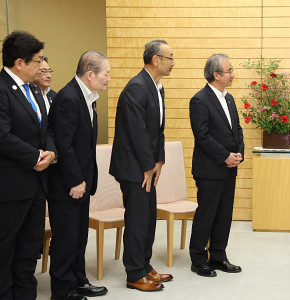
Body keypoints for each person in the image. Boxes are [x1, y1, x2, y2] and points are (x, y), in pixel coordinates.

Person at [110, 39, 174, 292]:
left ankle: (145, 266)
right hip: (133, 166)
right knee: (137, 220)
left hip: (147, 164)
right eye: (170, 58)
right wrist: (148, 165)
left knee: (148, 218)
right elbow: (136, 131)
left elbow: (157, 130)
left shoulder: (157, 87)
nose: (173, 63)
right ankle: (134, 273)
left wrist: (158, 160)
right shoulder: (137, 87)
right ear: (155, 60)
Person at [47, 50, 110, 300]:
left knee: (79, 236)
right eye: (106, 74)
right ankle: (62, 291)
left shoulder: (88, 97)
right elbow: (64, 144)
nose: (108, 79)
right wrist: (75, 180)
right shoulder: (69, 98)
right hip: (68, 184)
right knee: (65, 238)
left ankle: (78, 281)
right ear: (91, 74)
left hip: (82, 182)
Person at [0, 31, 56, 300]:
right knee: (6, 247)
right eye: (38, 60)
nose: (41, 66)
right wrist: (35, 157)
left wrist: (51, 153)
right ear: (19, 62)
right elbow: (2, 135)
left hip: (36, 185)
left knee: (29, 247)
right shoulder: (1, 88)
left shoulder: (34, 89)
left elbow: (47, 129)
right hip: (11, 186)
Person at [189, 54, 244, 277]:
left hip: (230, 167)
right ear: (216, 75)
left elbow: (237, 130)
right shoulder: (200, 100)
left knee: (224, 214)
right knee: (207, 214)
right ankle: (199, 259)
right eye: (229, 71)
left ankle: (219, 256)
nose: (233, 74)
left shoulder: (229, 98)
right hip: (210, 169)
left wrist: (238, 153)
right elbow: (202, 136)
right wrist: (225, 156)